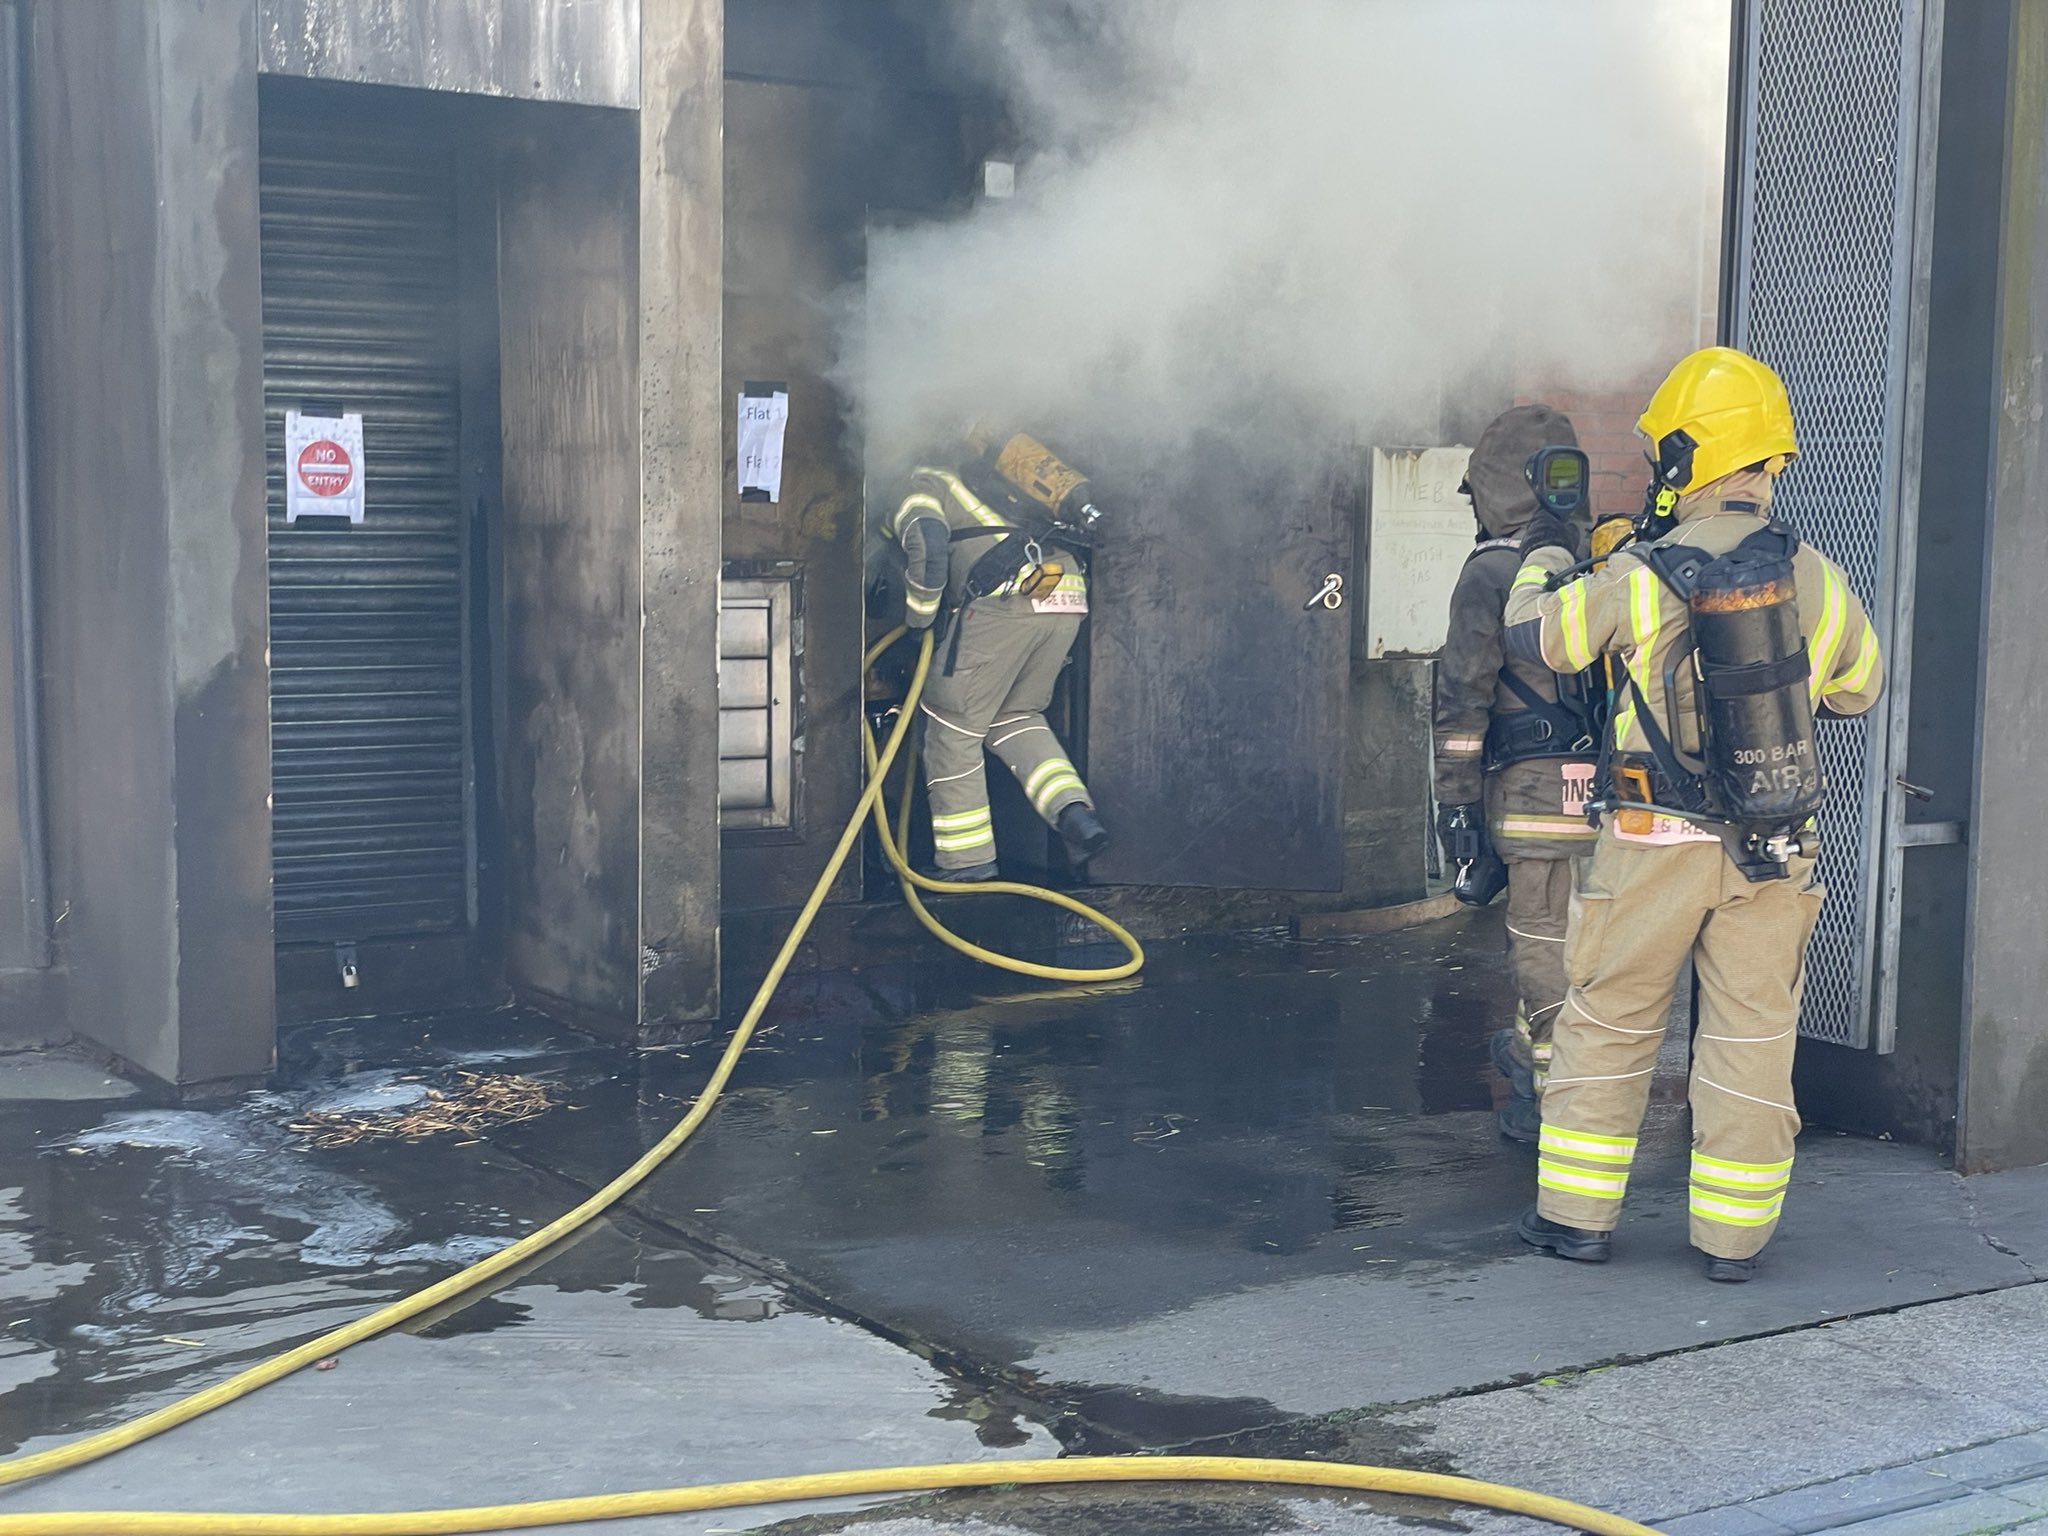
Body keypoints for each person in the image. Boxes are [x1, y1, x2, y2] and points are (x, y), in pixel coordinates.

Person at [1502, 346, 1883, 1282]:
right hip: (1772, 844)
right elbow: (1859, 689)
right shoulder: (1816, 575)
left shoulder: (1641, 574)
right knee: (1751, 1035)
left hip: (1652, 839)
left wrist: (1545, 558)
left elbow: (1544, 640)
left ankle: (1577, 1222)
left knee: (1611, 1020)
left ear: (1685, 458)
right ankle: (1732, 1243)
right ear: (1769, 459)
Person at [1433, 405, 1601, 1143]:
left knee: (1540, 943)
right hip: (1610, 796)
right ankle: (1535, 1056)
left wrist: (1456, 805)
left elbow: (1462, 698)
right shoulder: (1606, 562)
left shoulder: (1492, 574)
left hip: (1534, 795)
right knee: (1591, 944)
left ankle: (1553, 1096)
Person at [884, 432, 1110, 881]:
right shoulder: (989, 481)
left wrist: (918, 622)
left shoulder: (919, 486)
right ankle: (1073, 814)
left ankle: (966, 862)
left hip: (1006, 598)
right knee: (1015, 715)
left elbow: (928, 546)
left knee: (951, 726)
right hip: (1062, 590)